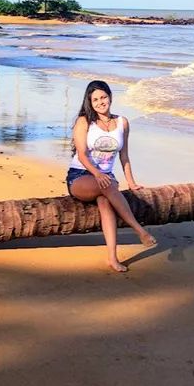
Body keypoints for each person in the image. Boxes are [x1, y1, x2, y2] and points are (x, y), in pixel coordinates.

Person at [66, 80, 157, 272]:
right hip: (80, 177)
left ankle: (112, 258)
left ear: (110, 96)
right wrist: (97, 174)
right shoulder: (84, 122)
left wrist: (131, 183)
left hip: (105, 178)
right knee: (107, 185)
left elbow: (124, 155)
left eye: (103, 97)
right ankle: (140, 231)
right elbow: (82, 154)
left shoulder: (122, 122)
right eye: (95, 99)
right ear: (89, 103)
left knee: (106, 203)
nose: (100, 102)